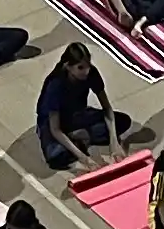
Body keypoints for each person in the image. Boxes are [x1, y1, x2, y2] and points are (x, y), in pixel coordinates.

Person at [35, 40, 126, 171]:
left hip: (78, 115)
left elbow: (107, 109)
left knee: (122, 122)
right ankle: (78, 140)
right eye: (80, 68)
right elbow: (56, 129)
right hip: (53, 121)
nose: (86, 71)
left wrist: (114, 143)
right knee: (56, 157)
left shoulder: (92, 74)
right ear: (68, 66)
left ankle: (80, 138)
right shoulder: (56, 85)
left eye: (88, 66)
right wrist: (85, 159)